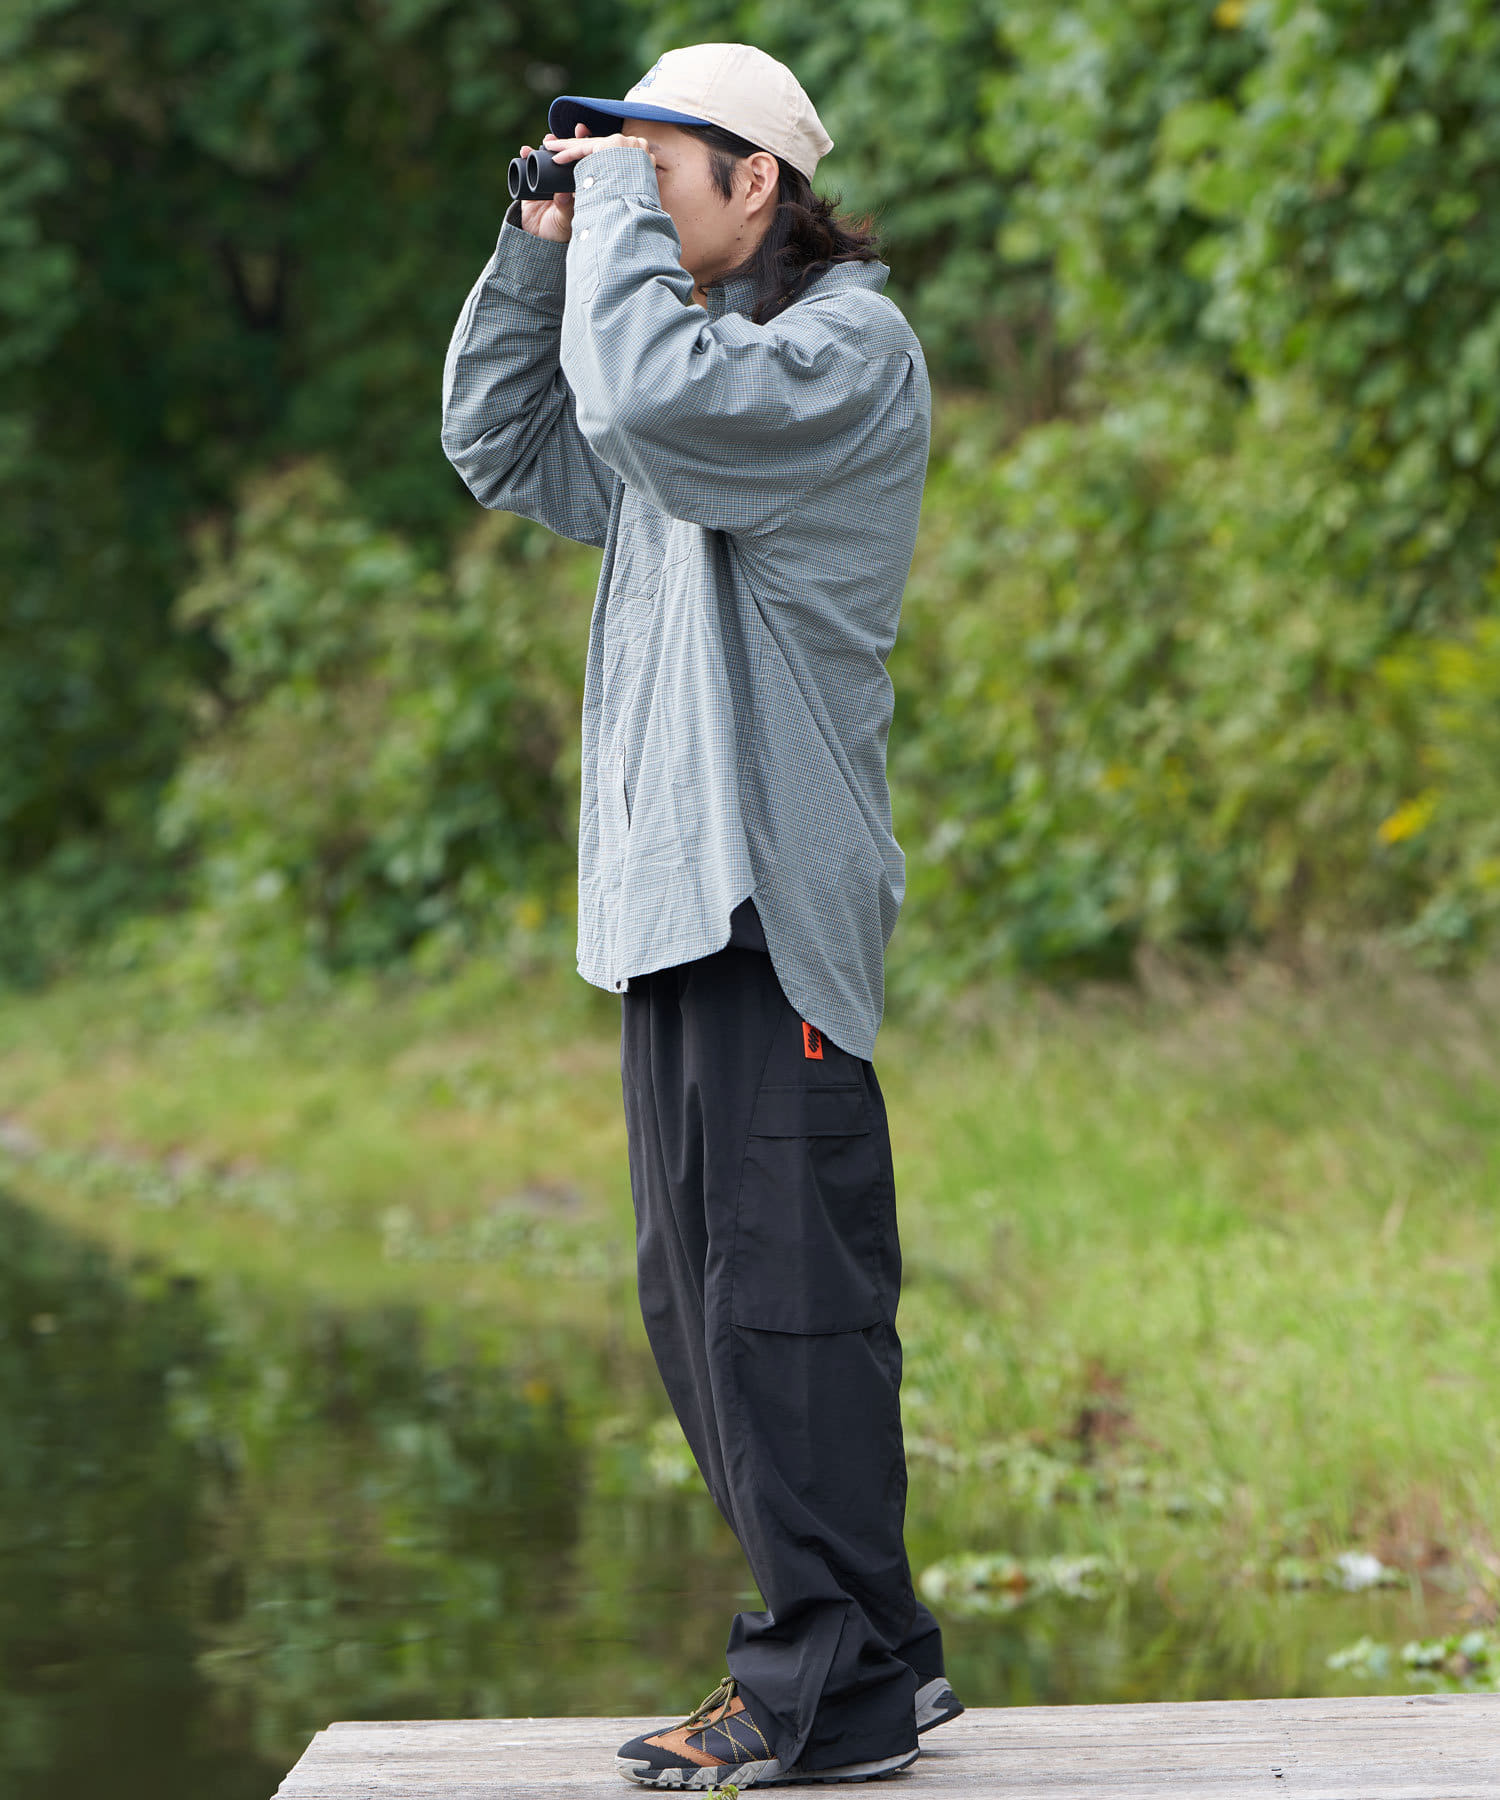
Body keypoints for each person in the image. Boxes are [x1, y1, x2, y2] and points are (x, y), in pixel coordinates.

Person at [441, 39, 962, 1789]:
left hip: (768, 902)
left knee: (782, 1311)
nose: (633, 212)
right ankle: (883, 1659)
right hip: (675, 903)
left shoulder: (838, 353)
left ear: (761, 182)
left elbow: (650, 402)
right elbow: (504, 437)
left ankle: (825, 1688)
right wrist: (538, 247)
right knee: (710, 1310)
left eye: (656, 176)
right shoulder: (685, 360)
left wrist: (605, 243)